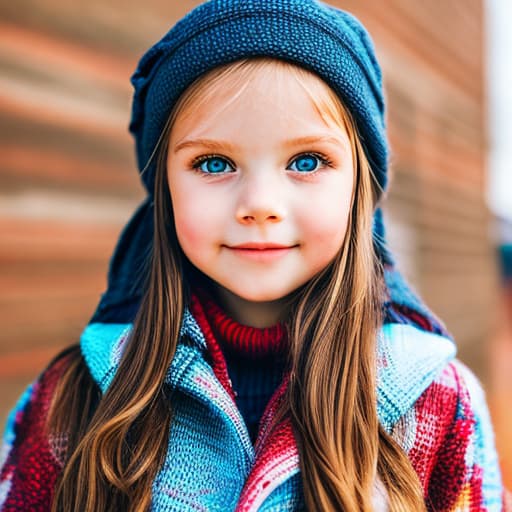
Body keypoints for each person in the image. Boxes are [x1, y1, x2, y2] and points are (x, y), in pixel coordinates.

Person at [0, 0, 506, 510]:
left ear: (359, 188)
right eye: (214, 162)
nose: (260, 205)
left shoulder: (439, 402)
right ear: (165, 188)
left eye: (307, 161)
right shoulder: (72, 402)